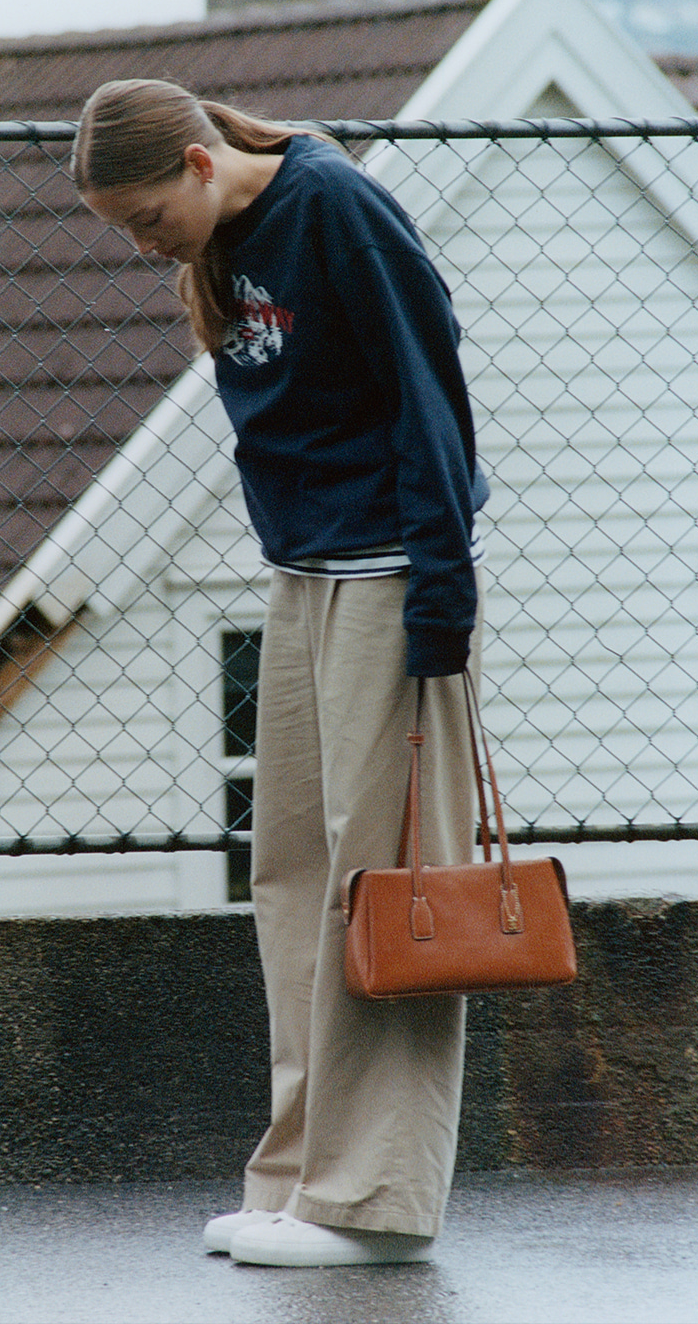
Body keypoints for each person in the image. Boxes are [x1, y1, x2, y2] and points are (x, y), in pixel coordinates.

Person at [72, 79, 489, 1269]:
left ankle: (377, 1205)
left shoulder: (335, 207)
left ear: (200, 163)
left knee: (387, 886)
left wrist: (443, 595)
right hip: (305, 578)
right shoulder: (231, 235)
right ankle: (305, 1178)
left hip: (391, 575)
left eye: (148, 218)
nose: (145, 245)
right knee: (296, 876)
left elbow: (431, 394)